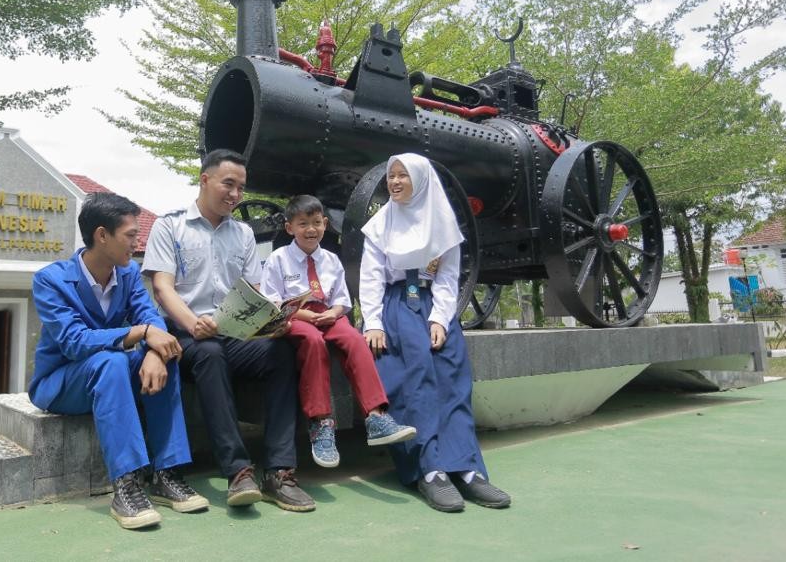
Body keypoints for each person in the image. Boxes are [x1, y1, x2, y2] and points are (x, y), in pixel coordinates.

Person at [143, 149, 315, 513]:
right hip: (185, 336)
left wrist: (270, 322)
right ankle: (238, 471)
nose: (235, 194)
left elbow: (252, 291)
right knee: (209, 353)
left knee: (281, 353)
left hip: (233, 334)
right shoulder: (170, 225)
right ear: (205, 180)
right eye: (228, 184)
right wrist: (193, 323)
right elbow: (162, 287)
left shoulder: (243, 234)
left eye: (241, 187)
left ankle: (280, 471)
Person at [29, 192, 207, 530]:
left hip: (107, 375)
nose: (135, 242)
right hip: (62, 383)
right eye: (129, 235)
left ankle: (166, 473)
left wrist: (155, 350)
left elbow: (150, 318)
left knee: (165, 352)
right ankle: (126, 484)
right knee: (110, 362)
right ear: (101, 235)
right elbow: (74, 341)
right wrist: (141, 334)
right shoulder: (50, 280)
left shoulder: (127, 275)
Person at [359, 153, 511, 513]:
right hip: (396, 305)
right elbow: (370, 277)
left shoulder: (442, 223)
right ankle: (428, 470)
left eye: (402, 176)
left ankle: (467, 469)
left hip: (432, 305)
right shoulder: (380, 224)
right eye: (391, 176)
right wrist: (374, 322)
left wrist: (441, 319)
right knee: (414, 382)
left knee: (453, 377)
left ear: (421, 180)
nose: (394, 182)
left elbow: (448, 276)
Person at [260, 194, 416, 468]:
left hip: (328, 314)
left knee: (355, 340)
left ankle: (377, 416)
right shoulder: (278, 259)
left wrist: (333, 313)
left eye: (317, 223)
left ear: (325, 224)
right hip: (295, 316)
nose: (311, 229)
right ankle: (321, 423)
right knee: (312, 343)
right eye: (303, 223)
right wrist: (302, 314)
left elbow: (342, 299)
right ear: (289, 228)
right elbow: (272, 300)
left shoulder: (331, 260)